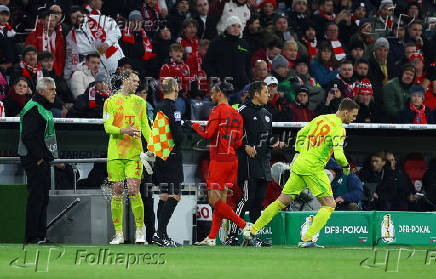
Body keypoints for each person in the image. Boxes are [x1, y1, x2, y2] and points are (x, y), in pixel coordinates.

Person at [244, 98, 359, 248]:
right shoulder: (339, 129)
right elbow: (338, 155)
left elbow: (301, 134)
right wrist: (345, 167)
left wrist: (300, 152)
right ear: (345, 112)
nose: (354, 118)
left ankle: (252, 231)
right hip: (313, 168)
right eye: (354, 115)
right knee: (330, 205)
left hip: (299, 164)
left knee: (282, 201)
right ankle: (307, 239)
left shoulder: (320, 118)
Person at [185, 82, 249, 246]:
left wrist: (192, 125)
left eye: (213, 93)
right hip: (232, 160)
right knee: (221, 202)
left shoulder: (217, 110)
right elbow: (238, 142)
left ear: (220, 93)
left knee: (214, 202)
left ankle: (244, 225)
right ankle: (212, 238)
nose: (211, 96)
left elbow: (207, 134)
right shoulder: (237, 114)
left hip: (219, 160)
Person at [227, 81, 283, 247]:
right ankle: (231, 235)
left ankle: (252, 236)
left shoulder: (267, 114)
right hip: (248, 162)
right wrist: (244, 146)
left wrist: (275, 142)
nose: (269, 94)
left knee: (258, 202)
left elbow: (267, 137)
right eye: (266, 91)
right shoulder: (241, 111)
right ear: (256, 94)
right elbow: (232, 133)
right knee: (245, 199)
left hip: (263, 163)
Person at [102, 70, 151, 245]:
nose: (137, 84)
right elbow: (108, 127)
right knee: (116, 192)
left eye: (138, 81)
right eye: (134, 81)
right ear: (124, 80)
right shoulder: (110, 102)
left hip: (134, 154)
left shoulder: (140, 103)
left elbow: (145, 125)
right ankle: (119, 234)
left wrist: (152, 145)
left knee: (133, 190)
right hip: (115, 154)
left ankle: (139, 231)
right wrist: (125, 130)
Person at [18, 77, 58, 244]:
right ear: (41, 91)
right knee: (37, 197)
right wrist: (40, 158)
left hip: (42, 159)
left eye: (55, 89)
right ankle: (32, 237)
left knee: (42, 197)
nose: (55, 93)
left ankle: (41, 236)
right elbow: (28, 136)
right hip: (35, 159)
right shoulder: (34, 108)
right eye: (51, 90)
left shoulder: (42, 107)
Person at [152, 77, 185, 247]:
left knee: (164, 196)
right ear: (175, 89)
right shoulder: (174, 109)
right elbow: (178, 137)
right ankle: (160, 234)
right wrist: (184, 129)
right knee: (175, 195)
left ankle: (162, 235)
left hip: (160, 156)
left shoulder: (157, 107)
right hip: (172, 156)